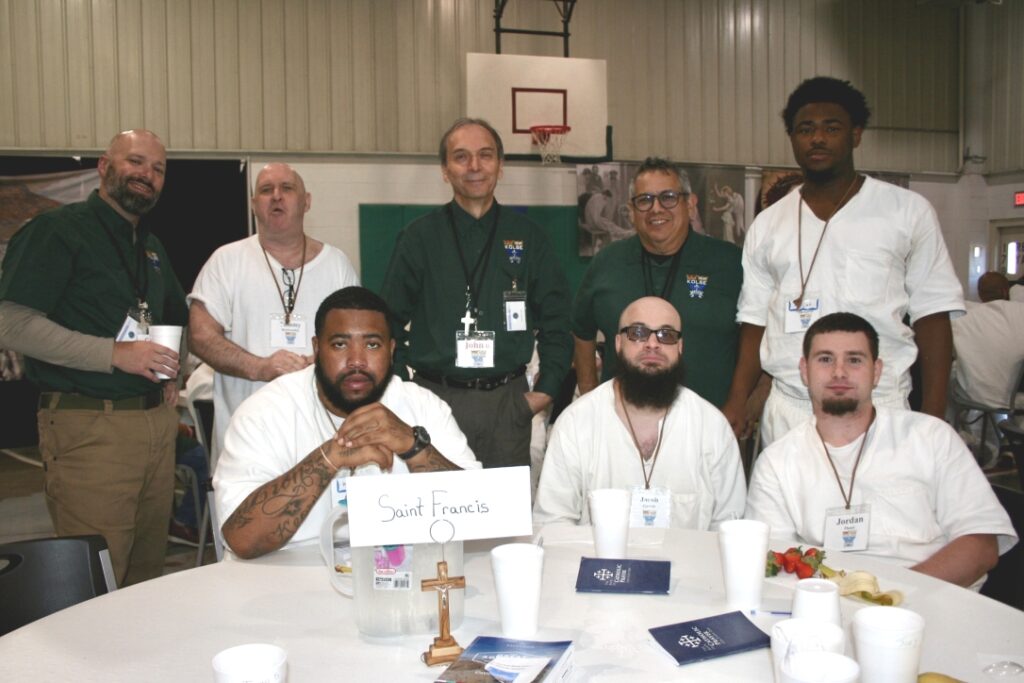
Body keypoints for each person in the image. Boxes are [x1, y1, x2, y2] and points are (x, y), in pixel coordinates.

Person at [723, 76, 964, 445]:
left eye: (831, 128)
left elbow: (933, 316)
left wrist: (934, 418)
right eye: (806, 129)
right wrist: (738, 398)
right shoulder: (768, 224)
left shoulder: (906, 211)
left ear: (856, 135)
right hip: (792, 408)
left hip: (881, 406)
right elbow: (755, 320)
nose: (817, 138)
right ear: (792, 138)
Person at [0, 129, 188, 585]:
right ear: (104, 167)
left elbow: (174, 314)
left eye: (158, 169)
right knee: (98, 578)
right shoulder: (56, 231)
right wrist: (114, 354)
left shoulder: (149, 246)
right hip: (90, 427)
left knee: (147, 576)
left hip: (154, 427)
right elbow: (11, 322)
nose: (147, 174)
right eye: (135, 161)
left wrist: (173, 374)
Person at [746, 312, 1016, 589]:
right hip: (826, 602)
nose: (839, 372)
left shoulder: (931, 438)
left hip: (931, 596)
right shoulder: (777, 463)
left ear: (876, 371)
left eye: (854, 360)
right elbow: (775, 564)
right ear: (804, 370)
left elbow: (981, 546)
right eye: (825, 359)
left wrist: (893, 596)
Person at [214, 287, 480, 559]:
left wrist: (414, 447)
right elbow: (241, 540)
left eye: (372, 345)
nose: (357, 362)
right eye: (340, 344)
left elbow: (481, 516)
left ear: (391, 350)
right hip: (285, 570)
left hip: (398, 570)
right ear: (317, 349)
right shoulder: (265, 412)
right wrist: (328, 459)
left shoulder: (423, 406)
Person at [379, 118, 573, 469]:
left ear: (500, 165)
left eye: (485, 155)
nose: (474, 166)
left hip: (508, 404)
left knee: (506, 505)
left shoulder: (529, 237)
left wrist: (546, 390)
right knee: (438, 501)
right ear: (445, 170)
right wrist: (402, 388)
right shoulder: (419, 238)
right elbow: (386, 322)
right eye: (461, 157)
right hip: (434, 400)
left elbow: (557, 320)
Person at [188, 163, 359, 459]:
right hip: (245, 443)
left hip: (324, 439)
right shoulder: (226, 261)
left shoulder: (337, 265)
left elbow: (356, 338)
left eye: (287, 188)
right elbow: (200, 337)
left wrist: (321, 363)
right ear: (254, 204)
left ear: (306, 202)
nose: (276, 196)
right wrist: (259, 367)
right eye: (266, 190)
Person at [535, 297, 746, 529]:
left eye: (666, 335)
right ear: (618, 343)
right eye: (638, 333)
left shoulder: (713, 428)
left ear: (680, 347)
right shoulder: (576, 423)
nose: (652, 344)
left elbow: (730, 528)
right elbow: (553, 524)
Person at [573, 157, 742, 408]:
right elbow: (582, 332)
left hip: (707, 420)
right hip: (623, 420)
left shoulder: (730, 263)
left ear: (690, 204)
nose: (656, 208)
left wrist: (742, 403)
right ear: (631, 211)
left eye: (668, 197)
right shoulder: (607, 262)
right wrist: (589, 399)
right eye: (645, 200)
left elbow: (759, 336)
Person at [949, 272, 1024, 461]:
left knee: (948, 378)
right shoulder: (1020, 312)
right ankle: (1009, 444)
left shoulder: (963, 315)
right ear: (1006, 291)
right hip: (1016, 398)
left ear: (980, 293)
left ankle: (958, 439)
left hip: (975, 395)